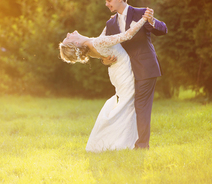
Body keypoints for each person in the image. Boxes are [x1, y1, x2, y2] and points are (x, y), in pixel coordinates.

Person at [59, 8, 153, 152]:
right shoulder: (95, 44)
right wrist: (144, 18)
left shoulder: (92, 45)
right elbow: (127, 35)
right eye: (68, 38)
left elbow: (105, 36)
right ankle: (123, 143)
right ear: (76, 44)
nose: (68, 34)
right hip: (124, 73)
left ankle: (128, 141)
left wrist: (113, 20)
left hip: (119, 73)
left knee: (127, 106)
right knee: (127, 106)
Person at [100, 0, 168, 149]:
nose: (106, 4)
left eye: (109, 0)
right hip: (125, 74)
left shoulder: (141, 14)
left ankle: (142, 145)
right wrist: (105, 60)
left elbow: (163, 29)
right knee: (126, 107)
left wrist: (151, 21)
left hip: (146, 68)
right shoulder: (110, 24)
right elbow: (105, 48)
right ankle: (126, 143)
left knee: (141, 105)